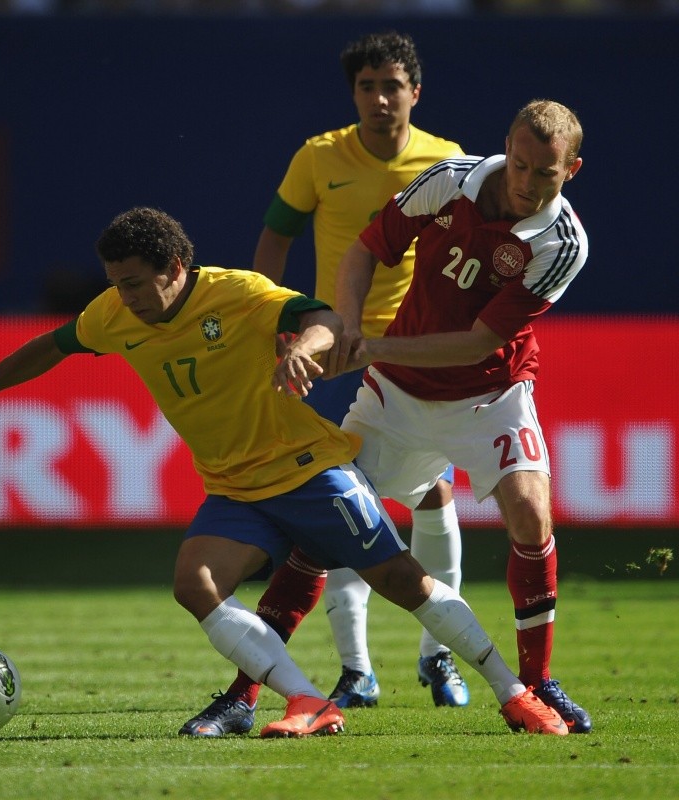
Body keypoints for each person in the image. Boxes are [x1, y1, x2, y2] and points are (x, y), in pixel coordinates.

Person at [0, 206, 568, 738]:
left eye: (135, 281)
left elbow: (323, 321)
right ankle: (308, 699)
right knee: (193, 583)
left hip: (308, 472)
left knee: (400, 580)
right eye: (115, 281)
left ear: (176, 267)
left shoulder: (239, 294)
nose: (124, 296)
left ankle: (515, 694)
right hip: (234, 490)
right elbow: (51, 347)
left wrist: (304, 353)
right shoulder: (113, 314)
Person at [181, 31, 470, 737]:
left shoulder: (450, 161)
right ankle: (358, 667)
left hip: (413, 350)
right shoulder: (318, 157)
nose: (379, 98)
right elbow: (276, 235)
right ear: (354, 94)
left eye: (391, 85)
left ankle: (439, 657)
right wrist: (273, 316)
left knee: (433, 490)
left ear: (415, 92)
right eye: (367, 85)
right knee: (345, 496)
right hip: (335, 349)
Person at [321, 98, 592, 733]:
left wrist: (369, 347)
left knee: (530, 513)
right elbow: (365, 249)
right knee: (329, 511)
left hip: (488, 396)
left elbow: (477, 343)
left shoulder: (562, 244)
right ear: (506, 145)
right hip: (398, 394)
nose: (526, 184)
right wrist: (348, 327)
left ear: (571, 170)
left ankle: (537, 681)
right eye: (520, 165)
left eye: (545, 174)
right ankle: (268, 685)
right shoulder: (448, 179)